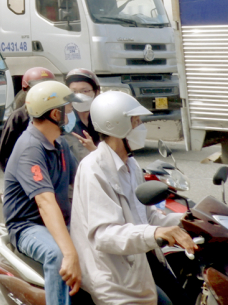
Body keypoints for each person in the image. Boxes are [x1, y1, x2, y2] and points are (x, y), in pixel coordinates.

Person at [70, 91, 196, 305]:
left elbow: (148, 218)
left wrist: (189, 220)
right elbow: (104, 234)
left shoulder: (131, 165)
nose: (142, 127)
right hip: (114, 275)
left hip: (140, 262)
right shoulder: (93, 169)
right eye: (136, 122)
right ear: (117, 125)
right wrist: (155, 232)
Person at [2, 81, 86, 305]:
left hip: (60, 220)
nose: (71, 114)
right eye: (68, 109)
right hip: (29, 226)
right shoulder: (31, 148)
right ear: (55, 114)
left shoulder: (59, 145)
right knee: (58, 255)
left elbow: (82, 181)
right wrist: (69, 253)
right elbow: (46, 204)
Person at [0, 67, 57, 170]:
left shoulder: (57, 115)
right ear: (26, 90)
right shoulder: (18, 118)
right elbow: (5, 155)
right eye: (37, 89)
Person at [64, 69, 102, 162]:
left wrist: (94, 150)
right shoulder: (65, 123)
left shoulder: (103, 120)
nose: (79, 96)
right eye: (73, 92)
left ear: (96, 92)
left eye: (85, 91)